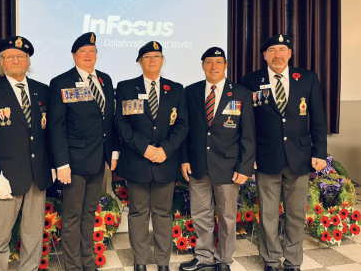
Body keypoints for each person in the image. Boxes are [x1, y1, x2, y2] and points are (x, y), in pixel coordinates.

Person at [241, 34, 327, 271]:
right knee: (268, 213)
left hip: (299, 157)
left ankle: (292, 261)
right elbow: (246, 123)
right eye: (272, 50)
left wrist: (319, 152)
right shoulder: (251, 80)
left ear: (289, 53)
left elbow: (318, 118)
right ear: (264, 55)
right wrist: (250, 156)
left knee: (296, 213)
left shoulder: (307, 78)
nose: (277, 55)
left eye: (282, 50)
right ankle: (270, 259)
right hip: (265, 157)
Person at [0, 36, 53, 271]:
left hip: (37, 178)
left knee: (33, 236)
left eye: (21, 56)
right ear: (1, 62)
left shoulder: (42, 91)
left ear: (28, 60)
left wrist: (54, 165)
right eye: (9, 57)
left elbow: (48, 134)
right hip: (3, 179)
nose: (15, 60)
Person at [179, 47, 255, 271]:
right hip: (198, 165)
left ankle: (223, 260)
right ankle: (203, 257)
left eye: (218, 62)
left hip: (228, 166)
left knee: (227, 218)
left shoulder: (241, 93)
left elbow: (248, 134)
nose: (214, 67)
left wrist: (245, 167)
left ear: (226, 66)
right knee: (200, 214)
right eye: (209, 62)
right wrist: (184, 159)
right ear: (203, 65)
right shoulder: (190, 92)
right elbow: (185, 129)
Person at [115, 41, 189, 271]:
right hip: (137, 161)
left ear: (163, 60)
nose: (152, 60)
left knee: (163, 214)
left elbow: (183, 124)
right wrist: (144, 148)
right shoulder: (126, 87)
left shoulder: (175, 89)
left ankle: (163, 262)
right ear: (140, 62)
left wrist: (165, 149)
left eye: (157, 56)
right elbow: (121, 123)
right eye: (147, 56)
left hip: (165, 162)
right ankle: (140, 261)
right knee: (138, 213)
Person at [48, 32, 119, 271]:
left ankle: (88, 263)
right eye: (83, 52)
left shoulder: (106, 80)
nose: (88, 56)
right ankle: (73, 266)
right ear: (73, 55)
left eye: (92, 51)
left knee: (90, 214)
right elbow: (56, 128)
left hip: (99, 160)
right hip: (73, 164)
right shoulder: (61, 82)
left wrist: (113, 154)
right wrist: (62, 164)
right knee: (72, 217)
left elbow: (109, 120)